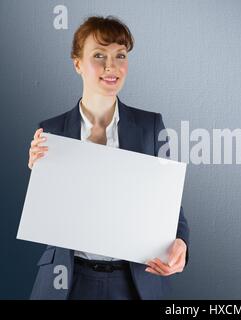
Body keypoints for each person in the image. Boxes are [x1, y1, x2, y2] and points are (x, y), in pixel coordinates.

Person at [27, 15, 190, 300]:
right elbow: (49, 217)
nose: (111, 66)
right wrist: (38, 175)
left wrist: (181, 245)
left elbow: (171, 208)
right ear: (77, 63)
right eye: (99, 55)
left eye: (120, 55)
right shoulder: (51, 131)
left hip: (133, 282)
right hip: (68, 280)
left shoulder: (151, 127)